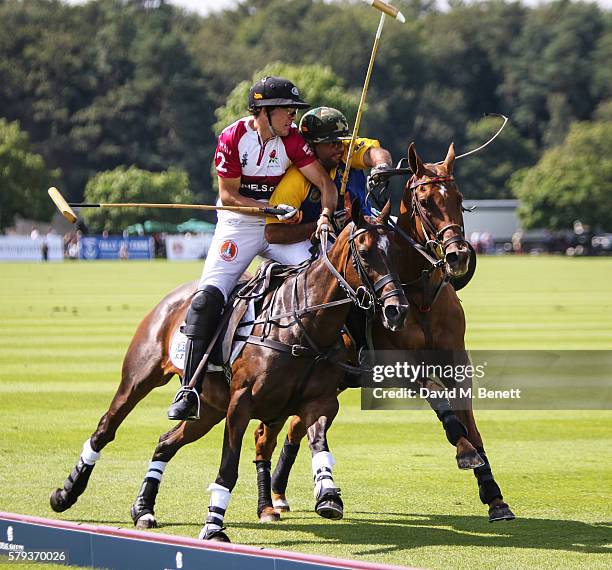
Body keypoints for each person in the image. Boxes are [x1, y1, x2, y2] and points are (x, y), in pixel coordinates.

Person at [168, 77, 338, 421]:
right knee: (206, 298)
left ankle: (327, 367)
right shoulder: (233, 138)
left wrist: (324, 216)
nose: (293, 118)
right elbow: (229, 197)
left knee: (326, 278)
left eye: (293, 111)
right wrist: (265, 209)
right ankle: (189, 387)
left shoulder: (291, 141)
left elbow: (325, 183)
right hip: (238, 227)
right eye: (287, 111)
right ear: (264, 111)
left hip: (278, 229)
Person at [265, 106, 393, 246]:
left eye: (340, 141)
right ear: (311, 145)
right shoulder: (295, 180)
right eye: (331, 143)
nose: (339, 147)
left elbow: (373, 153)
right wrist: (322, 225)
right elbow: (272, 233)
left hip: (369, 227)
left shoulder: (346, 152)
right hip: (318, 244)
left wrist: (382, 166)